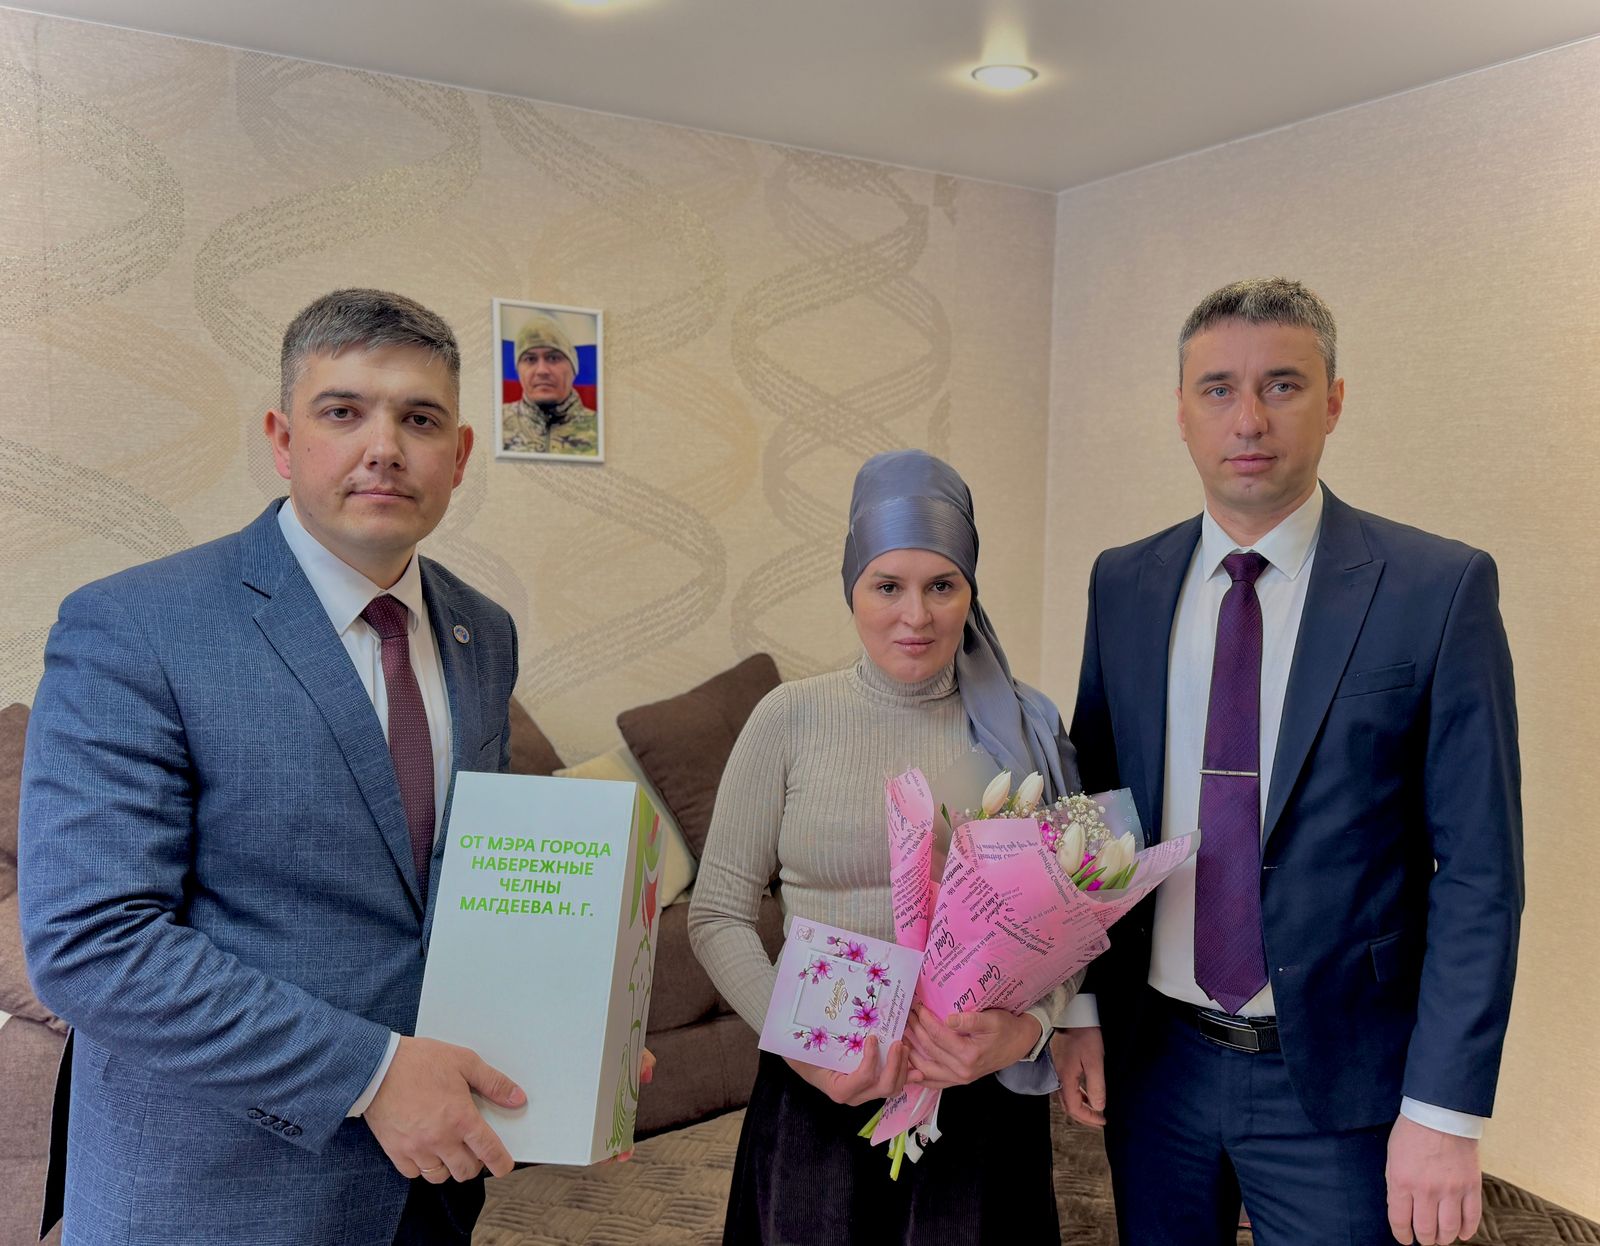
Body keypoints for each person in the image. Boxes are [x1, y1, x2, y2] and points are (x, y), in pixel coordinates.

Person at [20, 289, 528, 1245]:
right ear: (282, 441)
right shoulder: (134, 625)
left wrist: (574, 1040)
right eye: (343, 411)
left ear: (460, 456)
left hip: (430, 1187)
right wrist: (371, 1073)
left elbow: (469, 891)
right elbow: (91, 943)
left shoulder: (482, 631)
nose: (384, 446)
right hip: (217, 1195)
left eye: (420, 419)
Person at [1053, 277, 1522, 1246]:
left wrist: (1443, 1110)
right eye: (1218, 389)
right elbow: (1095, 814)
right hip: (1156, 1059)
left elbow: (1480, 872)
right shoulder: (1124, 581)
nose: (1249, 418)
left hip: (1341, 1080)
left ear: (1333, 401)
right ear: (1180, 411)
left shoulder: (1436, 588)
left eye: (1282, 384)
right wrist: (1081, 1005)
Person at [690, 449, 1078, 1244]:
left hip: (974, 1086)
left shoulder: (1025, 726)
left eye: (943, 586)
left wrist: (1027, 1031)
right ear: (852, 588)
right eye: (888, 586)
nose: (917, 616)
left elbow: (1066, 926)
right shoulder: (789, 718)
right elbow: (718, 913)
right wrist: (802, 1046)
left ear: (971, 591)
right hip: (819, 1083)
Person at [500, 313, 598, 456]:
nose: (542, 371)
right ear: (518, 370)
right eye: (530, 359)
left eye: (553, 358)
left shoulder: (600, 428)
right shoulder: (496, 422)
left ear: (573, 368)